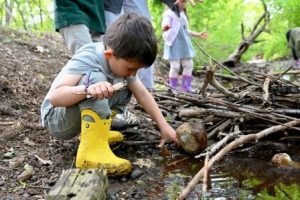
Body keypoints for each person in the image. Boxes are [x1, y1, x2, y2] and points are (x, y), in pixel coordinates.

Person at [40, 13, 179, 175]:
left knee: (128, 85)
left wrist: (164, 126)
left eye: (137, 70)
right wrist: (87, 89)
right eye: (130, 68)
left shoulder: (122, 65)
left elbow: (142, 94)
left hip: (74, 113)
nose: (133, 73)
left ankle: (98, 135)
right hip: (57, 119)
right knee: (95, 79)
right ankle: (90, 153)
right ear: (109, 55)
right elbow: (55, 98)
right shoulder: (89, 57)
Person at [162, 1, 207, 92]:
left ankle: (186, 87)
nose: (184, 5)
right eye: (182, 2)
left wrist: (198, 34)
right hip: (174, 43)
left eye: (185, 2)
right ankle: (172, 88)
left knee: (189, 64)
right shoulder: (169, 13)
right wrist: (166, 27)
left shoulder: (182, 15)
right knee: (175, 66)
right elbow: (165, 24)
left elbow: (186, 30)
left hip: (184, 44)